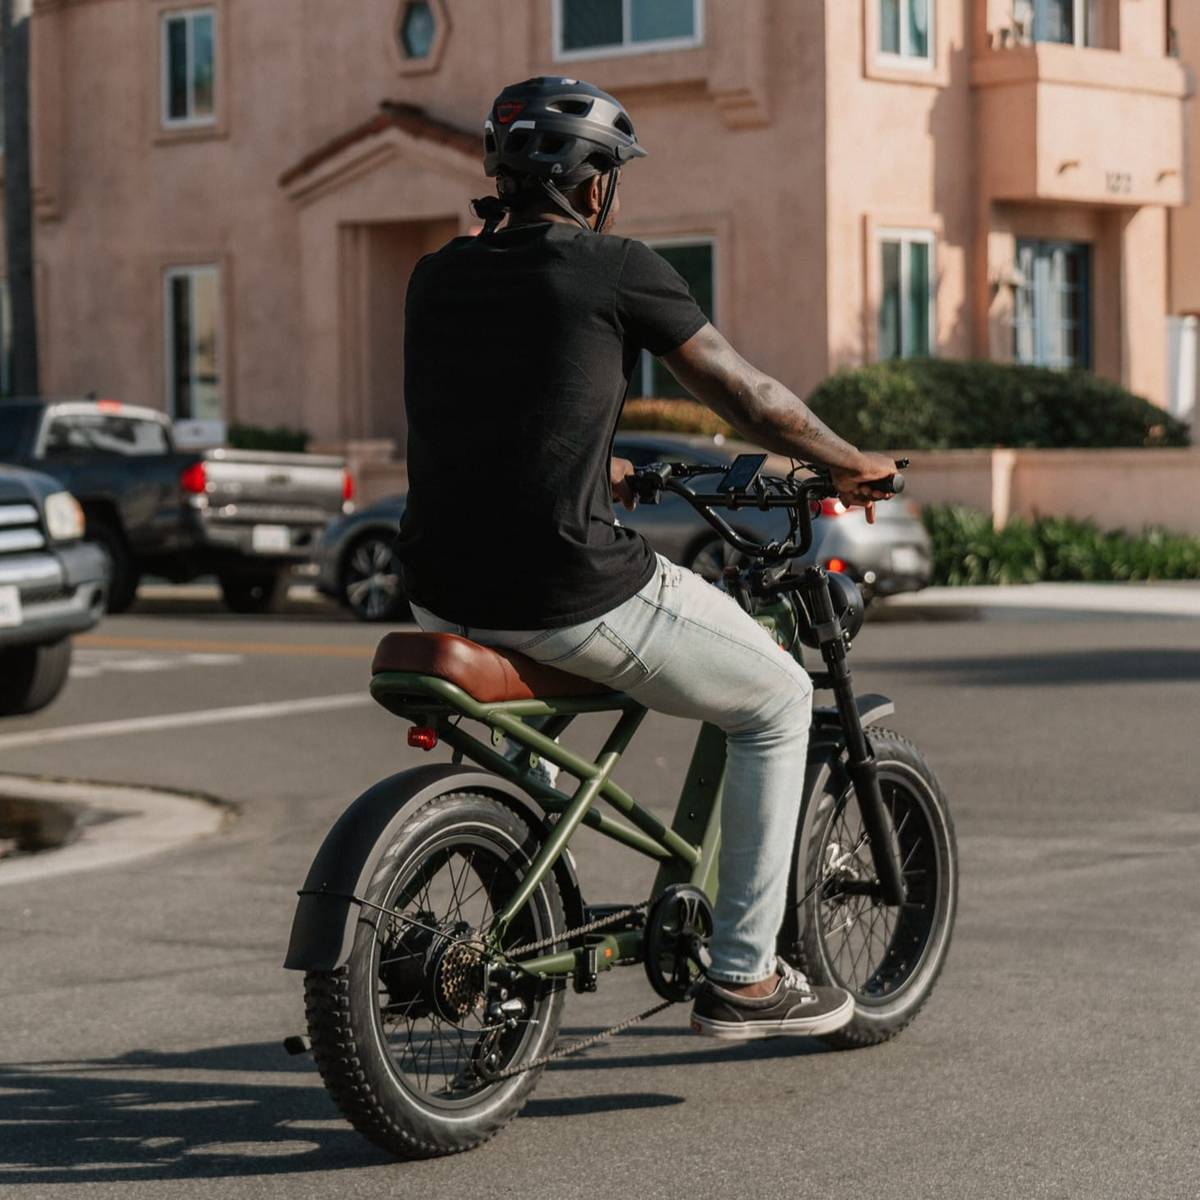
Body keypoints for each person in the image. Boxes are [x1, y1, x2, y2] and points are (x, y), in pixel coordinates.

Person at [396, 77, 900, 1041]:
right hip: (563, 587)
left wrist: (602, 460)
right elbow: (748, 397)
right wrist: (850, 462)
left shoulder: (436, 276)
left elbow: (492, 405)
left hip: (438, 590)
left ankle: (517, 881)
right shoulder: (614, 268)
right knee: (778, 699)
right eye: (611, 177)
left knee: (556, 725)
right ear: (593, 188)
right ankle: (747, 977)